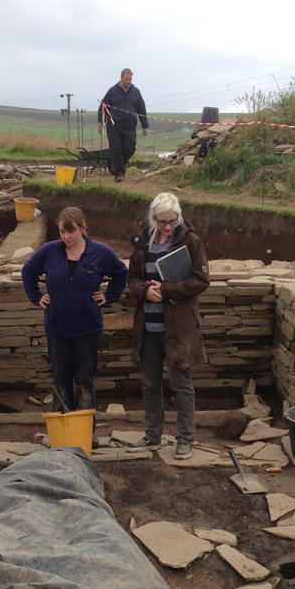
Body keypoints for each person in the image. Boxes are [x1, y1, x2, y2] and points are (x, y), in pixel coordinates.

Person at [126, 193, 210, 460]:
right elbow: (132, 279)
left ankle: (185, 439)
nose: (168, 227)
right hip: (148, 327)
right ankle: (152, 436)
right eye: (162, 222)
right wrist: (143, 291)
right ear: (153, 219)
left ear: (179, 216)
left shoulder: (192, 242)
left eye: (172, 221)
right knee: (150, 384)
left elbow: (201, 280)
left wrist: (167, 290)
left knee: (181, 384)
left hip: (178, 327)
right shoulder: (142, 245)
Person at [21, 207, 128, 415]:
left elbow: (121, 273)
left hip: (87, 329)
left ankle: (85, 432)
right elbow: (28, 271)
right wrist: (36, 296)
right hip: (57, 327)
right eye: (62, 232)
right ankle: (62, 430)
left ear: (82, 227)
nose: (66, 237)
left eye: (71, 231)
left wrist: (108, 296)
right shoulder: (50, 251)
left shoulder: (100, 252)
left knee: (84, 380)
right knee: (60, 379)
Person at [98, 68, 148, 184]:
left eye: (130, 79)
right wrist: (101, 123)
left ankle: (121, 163)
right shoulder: (112, 91)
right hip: (114, 126)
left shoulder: (136, 92)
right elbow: (103, 107)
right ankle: (119, 173)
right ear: (121, 78)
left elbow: (141, 109)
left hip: (130, 126)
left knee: (130, 148)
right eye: (126, 79)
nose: (128, 81)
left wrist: (144, 125)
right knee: (116, 149)